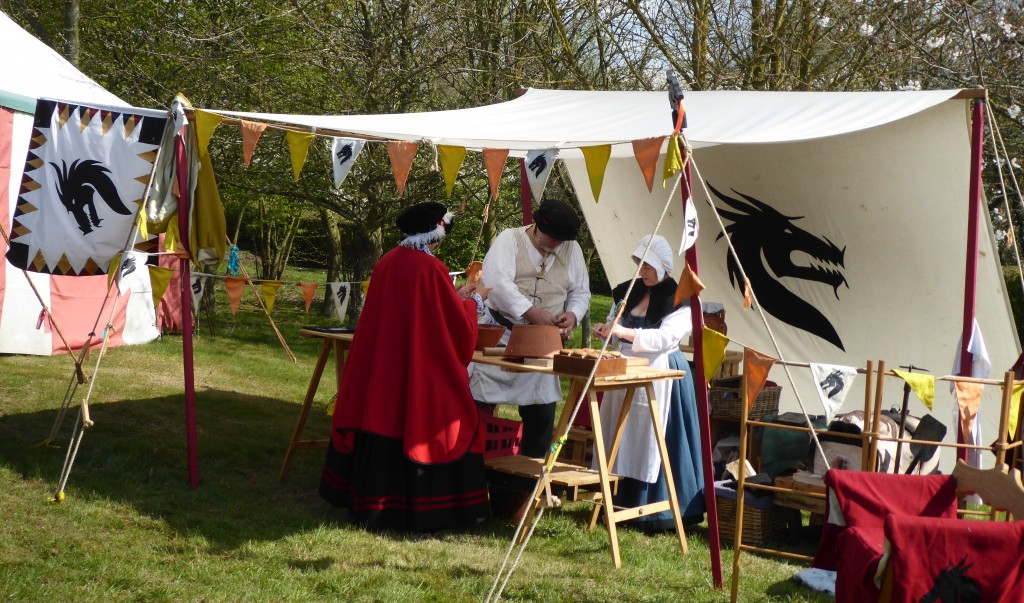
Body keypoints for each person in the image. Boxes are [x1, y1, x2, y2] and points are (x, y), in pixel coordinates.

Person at [320, 202, 490, 531]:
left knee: (385, 420)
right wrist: (473, 301)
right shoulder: (431, 269)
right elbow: (455, 328)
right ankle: (428, 510)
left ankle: (372, 507)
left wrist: (454, 296)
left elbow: (422, 308)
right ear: (435, 234)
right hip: (417, 367)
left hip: (385, 366)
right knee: (445, 412)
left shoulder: (387, 262)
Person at [592, 234, 705, 530]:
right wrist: (608, 329)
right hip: (625, 369)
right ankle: (618, 499)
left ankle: (659, 512)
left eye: (647, 266)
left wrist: (624, 333)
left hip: (660, 372)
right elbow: (616, 319)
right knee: (621, 433)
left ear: (662, 266)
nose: (641, 271)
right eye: (639, 264)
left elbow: (664, 339)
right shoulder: (630, 291)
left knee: (654, 438)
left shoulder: (683, 299)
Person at [469, 200, 591, 458]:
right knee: (479, 404)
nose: (558, 243)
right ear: (537, 226)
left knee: (542, 412)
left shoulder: (572, 249)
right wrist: (531, 312)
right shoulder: (509, 240)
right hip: (501, 337)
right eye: (553, 237)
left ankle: (530, 474)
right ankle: (475, 465)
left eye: (562, 239)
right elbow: (497, 284)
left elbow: (580, 291)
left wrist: (572, 314)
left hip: (543, 346)